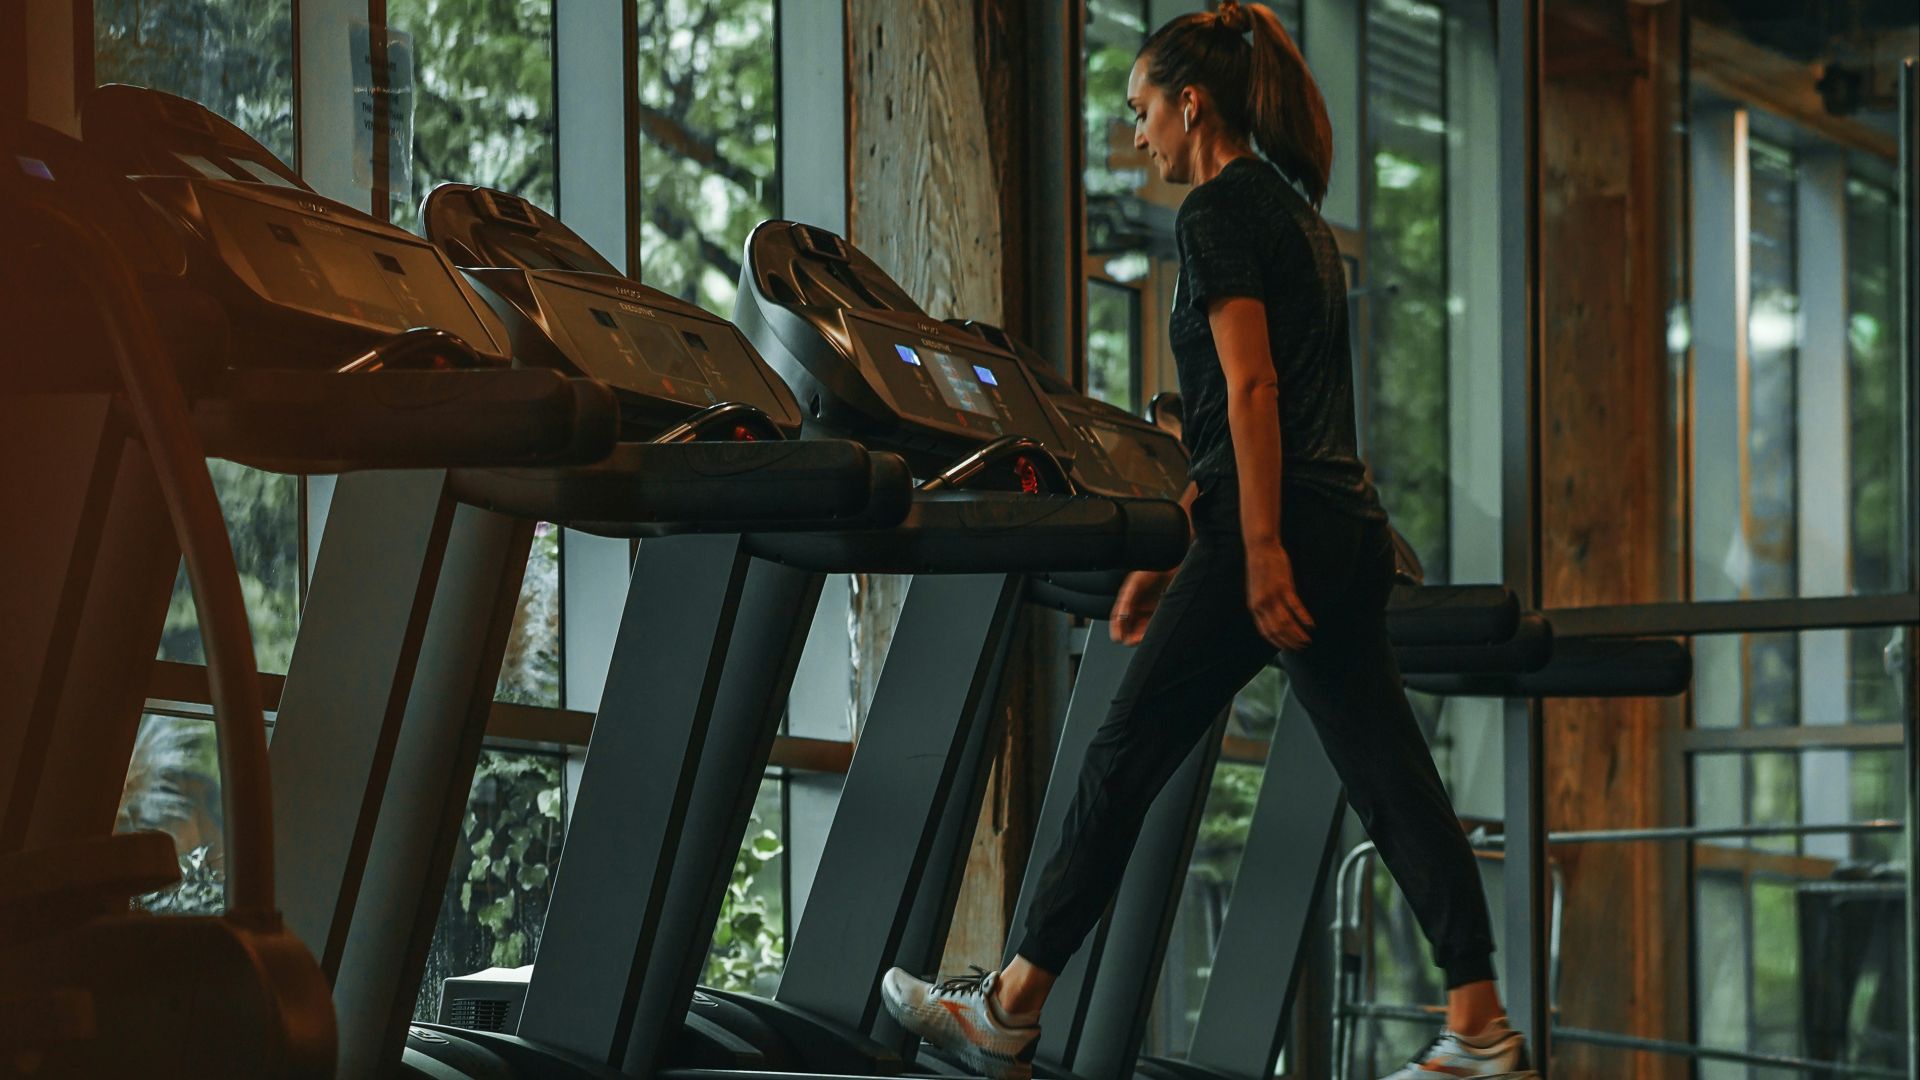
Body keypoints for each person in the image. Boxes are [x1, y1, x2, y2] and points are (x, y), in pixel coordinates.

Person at [878, 4, 1537, 1079]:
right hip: (1336, 522)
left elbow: (1253, 388)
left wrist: (1259, 550)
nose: (1136, 135)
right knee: (1389, 776)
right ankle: (1481, 1025)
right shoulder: (1296, 213)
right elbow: (1242, 428)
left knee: (1121, 757)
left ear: (1193, 104)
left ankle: (1008, 1007)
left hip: (1280, 530)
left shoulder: (1220, 212)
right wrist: (1176, 545)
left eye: (1141, 111)